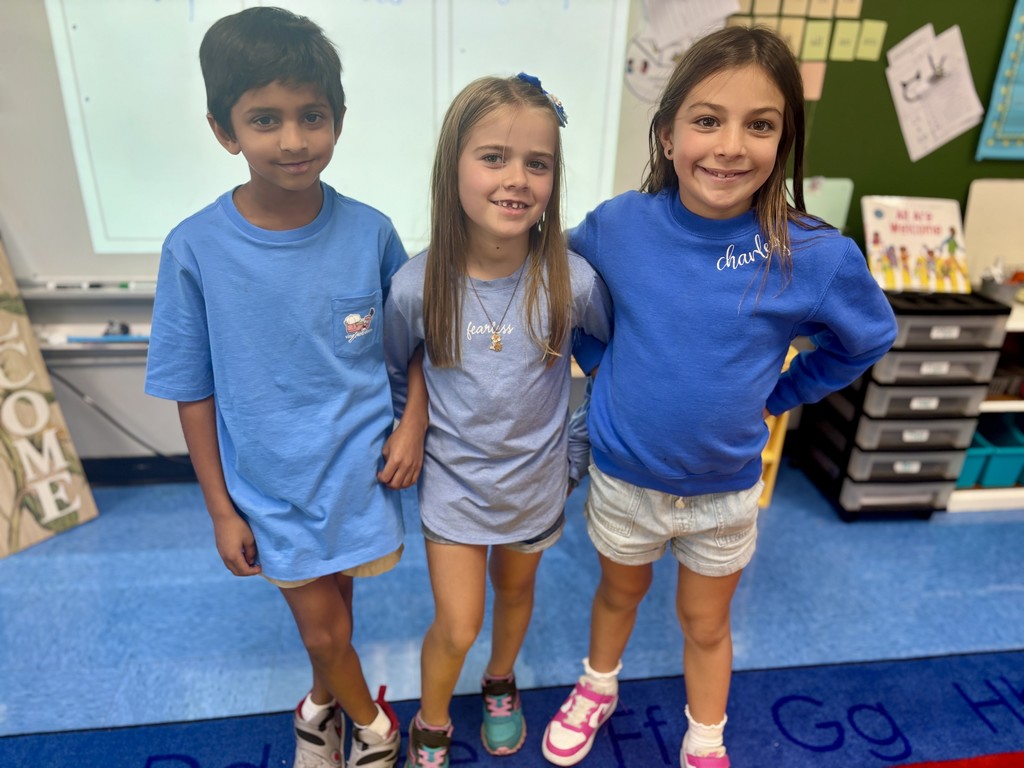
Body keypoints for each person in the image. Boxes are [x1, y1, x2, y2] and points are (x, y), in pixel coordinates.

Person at [541, 25, 898, 768]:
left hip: (724, 492)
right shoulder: (619, 225)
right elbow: (559, 283)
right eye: (707, 120)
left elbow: (865, 337)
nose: (731, 146)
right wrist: (600, 357)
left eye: (760, 125)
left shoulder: (812, 255)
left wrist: (785, 392)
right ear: (668, 135)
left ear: (784, 140)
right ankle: (597, 684)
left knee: (706, 623)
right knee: (617, 594)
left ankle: (707, 739)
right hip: (624, 476)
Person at [144, 8, 426, 768]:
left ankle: (322, 705)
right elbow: (190, 389)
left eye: (313, 116)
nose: (294, 139)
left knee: (337, 612)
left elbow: (411, 348)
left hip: (359, 474)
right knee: (323, 629)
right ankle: (375, 729)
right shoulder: (194, 249)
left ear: (339, 119)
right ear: (223, 130)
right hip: (269, 485)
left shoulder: (371, 232)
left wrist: (412, 426)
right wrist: (218, 507)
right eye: (265, 119)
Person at [382, 74, 612, 768]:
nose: (517, 179)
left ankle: (501, 681)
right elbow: (399, 366)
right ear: (453, 165)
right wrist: (412, 423)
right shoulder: (413, 287)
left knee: (515, 594)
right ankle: (429, 719)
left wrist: (575, 450)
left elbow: (610, 362)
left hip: (536, 484)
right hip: (454, 487)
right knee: (457, 623)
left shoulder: (574, 281)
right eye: (493, 158)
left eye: (536, 164)